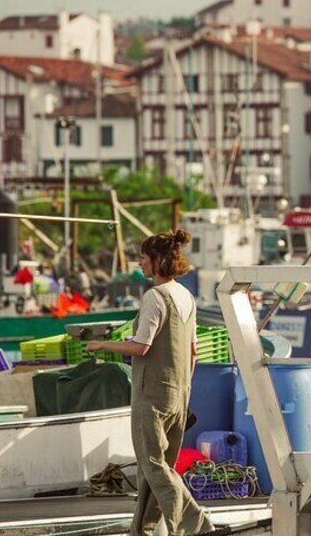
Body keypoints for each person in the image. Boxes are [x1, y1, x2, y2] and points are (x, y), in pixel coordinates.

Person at [86, 229, 220, 536]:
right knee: (157, 471)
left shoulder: (155, 297)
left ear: (157, 260)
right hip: (180, 395)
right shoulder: (186, 295)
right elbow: (193, 350)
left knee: (153, 466)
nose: (139, 263)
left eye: (143, 257)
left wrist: (102, 346)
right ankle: (142, 531)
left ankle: (198, 524)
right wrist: (183, 387)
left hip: (152, 396)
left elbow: (141, 346)